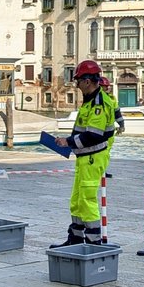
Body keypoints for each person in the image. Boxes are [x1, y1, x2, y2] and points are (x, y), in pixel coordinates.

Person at [52, 60, 117, 247]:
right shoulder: (89, 102)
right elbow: (83, 132)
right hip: (84, 158)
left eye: (78, 80)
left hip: (93, 158)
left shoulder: (98, 104)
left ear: (88, 81)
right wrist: (67, 142)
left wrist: (69, 142)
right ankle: (75, 238)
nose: (77, 85)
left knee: (87, 200)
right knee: (77, 199)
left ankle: (93, 242)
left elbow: (93, 135)